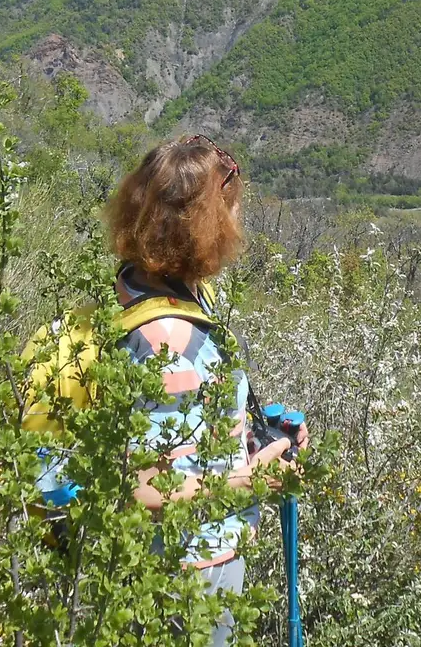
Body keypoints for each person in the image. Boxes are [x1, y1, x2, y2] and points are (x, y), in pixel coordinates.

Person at [106, 134, 309, 646]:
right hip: (186, 569)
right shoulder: (169, 337)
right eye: (229, 210)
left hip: (190, 556)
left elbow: (182, 421)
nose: (236, 224)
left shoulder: (149, 288)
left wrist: (257, 433)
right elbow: (146, 487)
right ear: (201, 226)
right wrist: (255, 481)